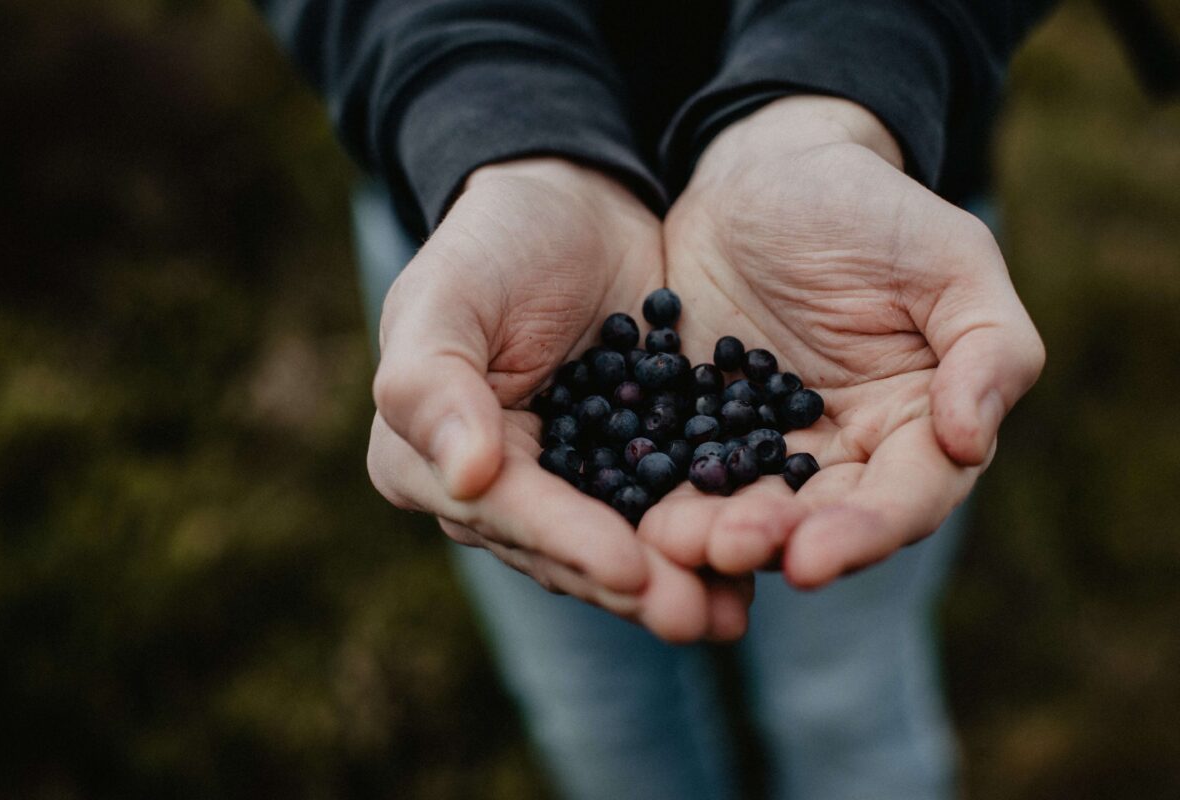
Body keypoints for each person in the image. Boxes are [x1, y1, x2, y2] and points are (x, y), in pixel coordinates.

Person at [256, 2, 1052, 797]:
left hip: (874, 196)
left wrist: (840, 82)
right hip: (468, 204)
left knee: (844, 695)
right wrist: (488, 114)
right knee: (598, 707)